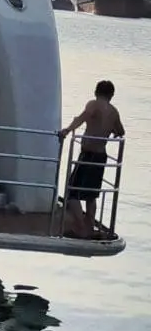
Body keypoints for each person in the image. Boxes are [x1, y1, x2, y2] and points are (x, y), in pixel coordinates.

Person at [58, 80, 124, 238]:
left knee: (72, 192)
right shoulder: (114, 111)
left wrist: (67, 130)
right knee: (91, 194)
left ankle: (80, 228)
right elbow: (121, 131)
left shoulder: (93, 104)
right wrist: (112, 130)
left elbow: (82, 118)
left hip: (88, 154)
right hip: (101, 156)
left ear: (96, 92)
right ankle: (88, 228)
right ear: (112, 95)